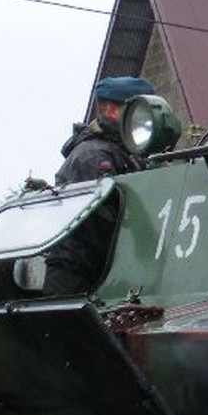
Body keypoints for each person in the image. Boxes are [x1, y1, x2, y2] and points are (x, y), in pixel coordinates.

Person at [44, 75, 154, 296]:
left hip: (99, 273)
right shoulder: (92, 156)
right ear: (112, 112)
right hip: (78, 278)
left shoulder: (125, 153)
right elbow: (104, 225)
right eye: (139, 112)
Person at [53, 76, 154, 186]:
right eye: (138, 110)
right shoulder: (93, 156)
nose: (144, 118)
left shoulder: (129, 149)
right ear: (111, 111)